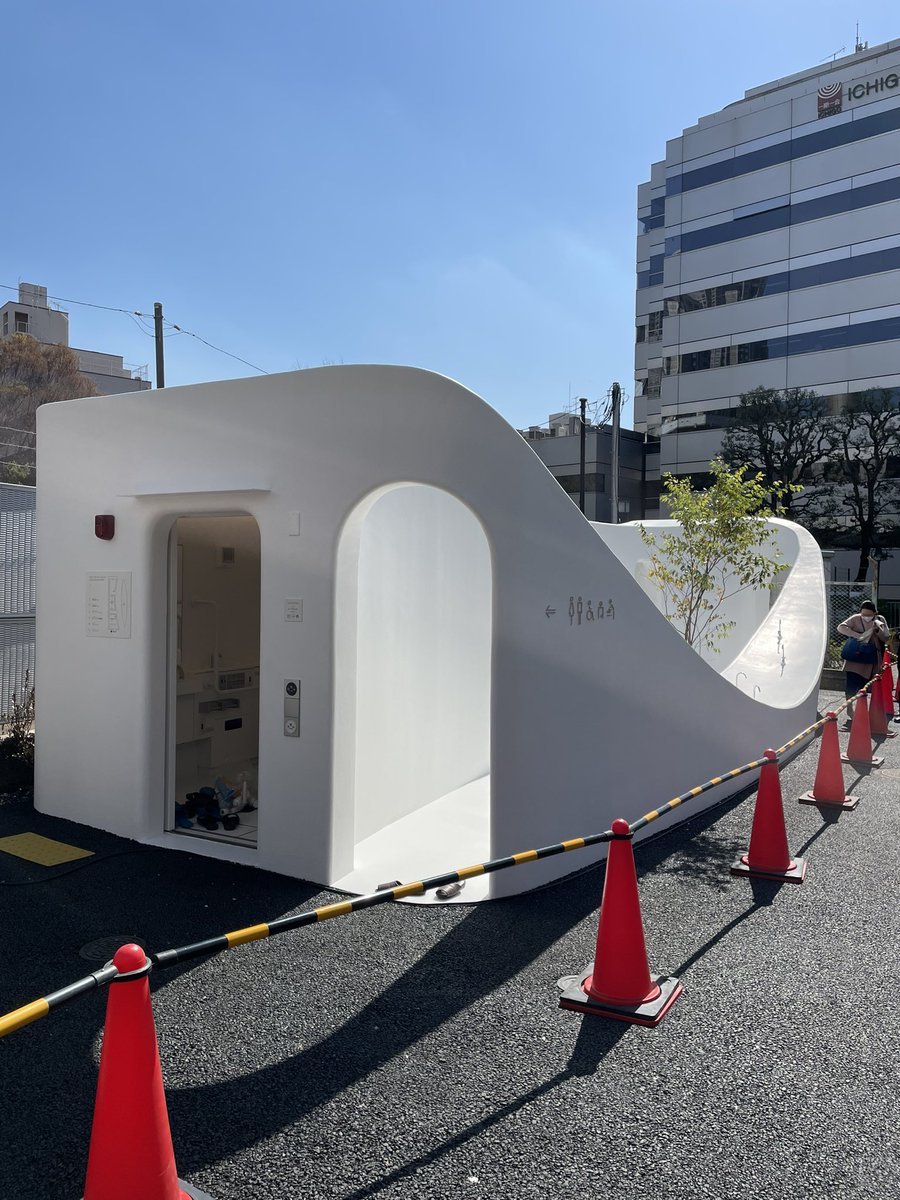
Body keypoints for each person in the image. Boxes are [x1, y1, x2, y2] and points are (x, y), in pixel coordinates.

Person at [837, 600, 889, 726]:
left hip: (871, 659)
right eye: (863, 614)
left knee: (865, 687)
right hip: (855, 659)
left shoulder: (880, 619)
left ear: (875, 613)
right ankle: (850, 710)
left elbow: (886, 637)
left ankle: (863, 712)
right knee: (851, 686)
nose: (866, 617)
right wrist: (857, 635)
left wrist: (877, 630)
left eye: (869, 615)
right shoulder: (855, 618)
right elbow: (841, 627)